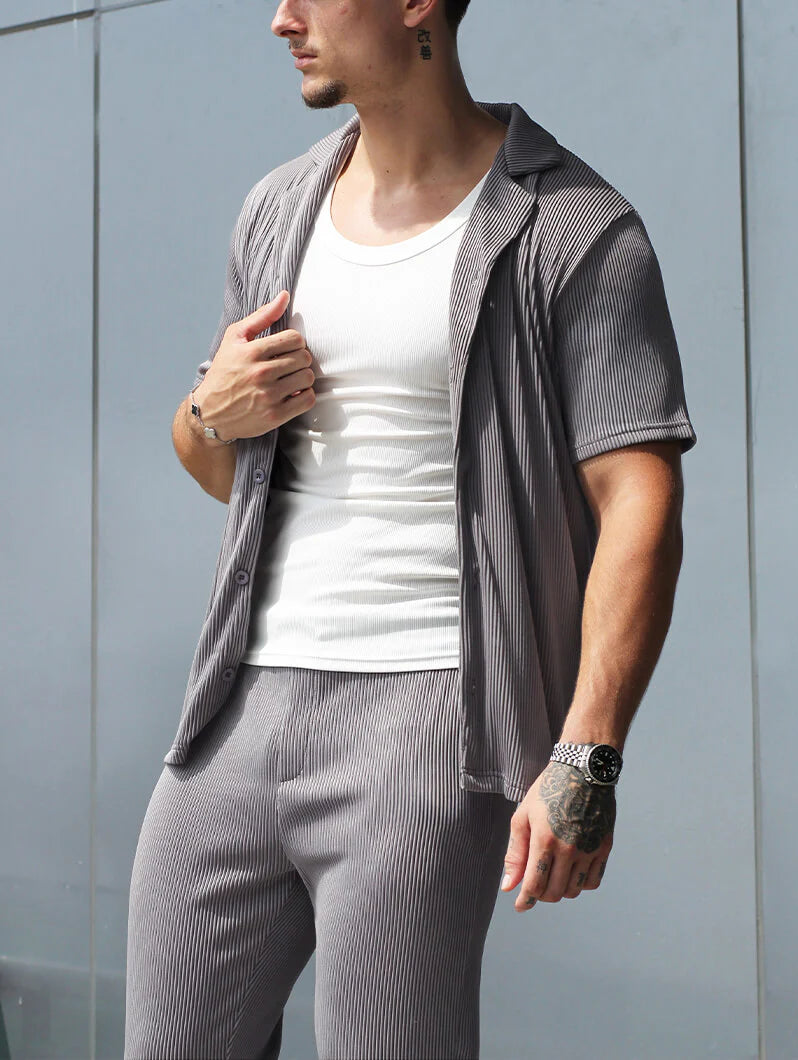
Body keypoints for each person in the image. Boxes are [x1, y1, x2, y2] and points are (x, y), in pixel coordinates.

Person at [124, 0, 696, 1057]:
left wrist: (587, 752)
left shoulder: (573, 227)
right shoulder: (277, 210)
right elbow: (218, 469)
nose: (280, 19)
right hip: (234, 712)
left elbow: (639, 500)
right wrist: (210, 410)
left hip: (426, 725)